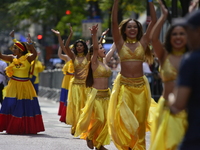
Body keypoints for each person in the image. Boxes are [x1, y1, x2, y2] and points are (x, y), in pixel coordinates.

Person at [107, 0, 156, 149]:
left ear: (138, 29)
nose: (132, 29)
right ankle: (127, 146)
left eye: (135, 26)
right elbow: (114, 23)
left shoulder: (144, 42)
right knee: (124, 119)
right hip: (124, 87)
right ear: (125, 30)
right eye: (129, 27)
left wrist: (150, 2)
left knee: (140, 122)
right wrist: (116, 3)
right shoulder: (120, 43)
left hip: (141, 87)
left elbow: (153, 20)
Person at [149, 1, 198, 149]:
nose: (178, 37)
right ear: (170, 38)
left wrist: (191, 15)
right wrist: (163, 17)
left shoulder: (192, 57)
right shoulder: (164, 56)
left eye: (182, 34)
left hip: (188, 111)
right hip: (166, 110)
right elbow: (153, 39)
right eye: (174, 34)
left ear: (187, 36)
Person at [74, 24, 114, 150]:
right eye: (101, 48)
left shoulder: (105, 62)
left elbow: (114, 47)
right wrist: (94, 35)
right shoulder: (94, 63)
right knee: (100, 119)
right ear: (94, 53)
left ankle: (100, 144)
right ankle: (90, 136)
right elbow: (96, 48)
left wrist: (119, 36)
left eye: (103, 48)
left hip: (107, 95)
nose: (104, 50)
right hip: (96, 95)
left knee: (107, 122)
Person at [0, 30, 45, 134]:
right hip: (13, 85)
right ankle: (9, 125)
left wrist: (30, 44)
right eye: (13, 47)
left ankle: (23, 127)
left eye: (15, 48)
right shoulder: (12, 58)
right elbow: (1, 56)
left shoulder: (28, 59)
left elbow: (34, 53)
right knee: (10, 104)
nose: (13, 49)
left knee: (24, 106)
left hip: (25, 85)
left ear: (21, 50)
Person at [169, 10, 200, 150]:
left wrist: (170, 96)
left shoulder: (191, 60)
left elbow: (178, 104)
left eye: (188, 30)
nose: (186, 35)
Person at [51, 26, 90, 136]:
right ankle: (76, 126)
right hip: (75, 86)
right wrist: (68, 35)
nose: (79, 47)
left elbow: (95, 48)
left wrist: (96, 36)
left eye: (81, 45)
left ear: (84, 47)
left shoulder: (88, 57)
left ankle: (85, 127)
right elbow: (65, 47)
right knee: (76, 106)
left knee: (85, 107)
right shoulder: (73, 57)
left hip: (86, 86)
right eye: (77, 45)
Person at [57, 43, 74, 122]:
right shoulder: (67, 57)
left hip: (74, 79)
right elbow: (60, 55)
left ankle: (71, 114)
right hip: (66, 79)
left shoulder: (78, 58)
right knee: (65, 96)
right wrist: (61, 47)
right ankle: (64, 113)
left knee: (72, 96)